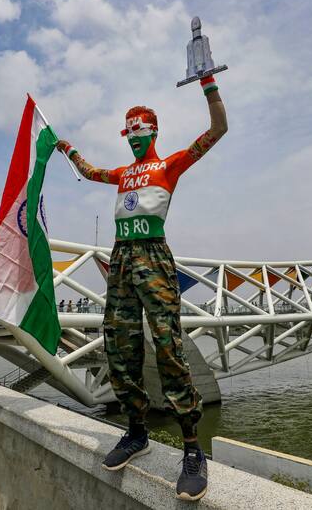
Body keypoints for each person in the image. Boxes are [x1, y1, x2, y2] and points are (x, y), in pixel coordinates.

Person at [56, 74, 227, 501]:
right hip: (122, 259)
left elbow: (217, 131)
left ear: (153, 130)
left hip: (153, 257)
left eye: (140, 128)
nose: (133, 136)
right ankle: (135, 431)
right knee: (118, 344)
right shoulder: (123, 174)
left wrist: (208, 85)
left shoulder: (167, 165)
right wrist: (66, 148)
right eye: (127, 130)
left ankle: (192, 448)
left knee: (168, 345)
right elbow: (91, 171)